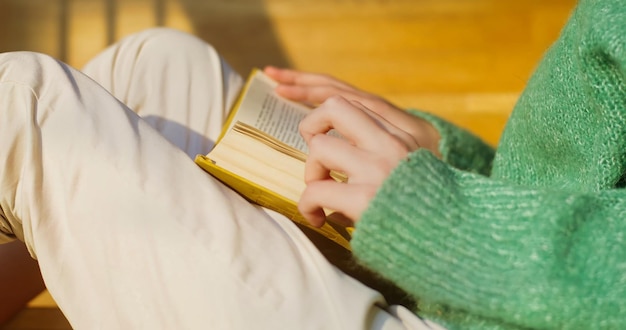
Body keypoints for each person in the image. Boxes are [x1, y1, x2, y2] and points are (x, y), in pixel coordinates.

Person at [2, 0, 626, 329]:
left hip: (486, 298)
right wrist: (450, 162)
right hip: (495, 280)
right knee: (152, 68)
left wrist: (450, 217)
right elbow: (590, 168)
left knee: (24, 102)